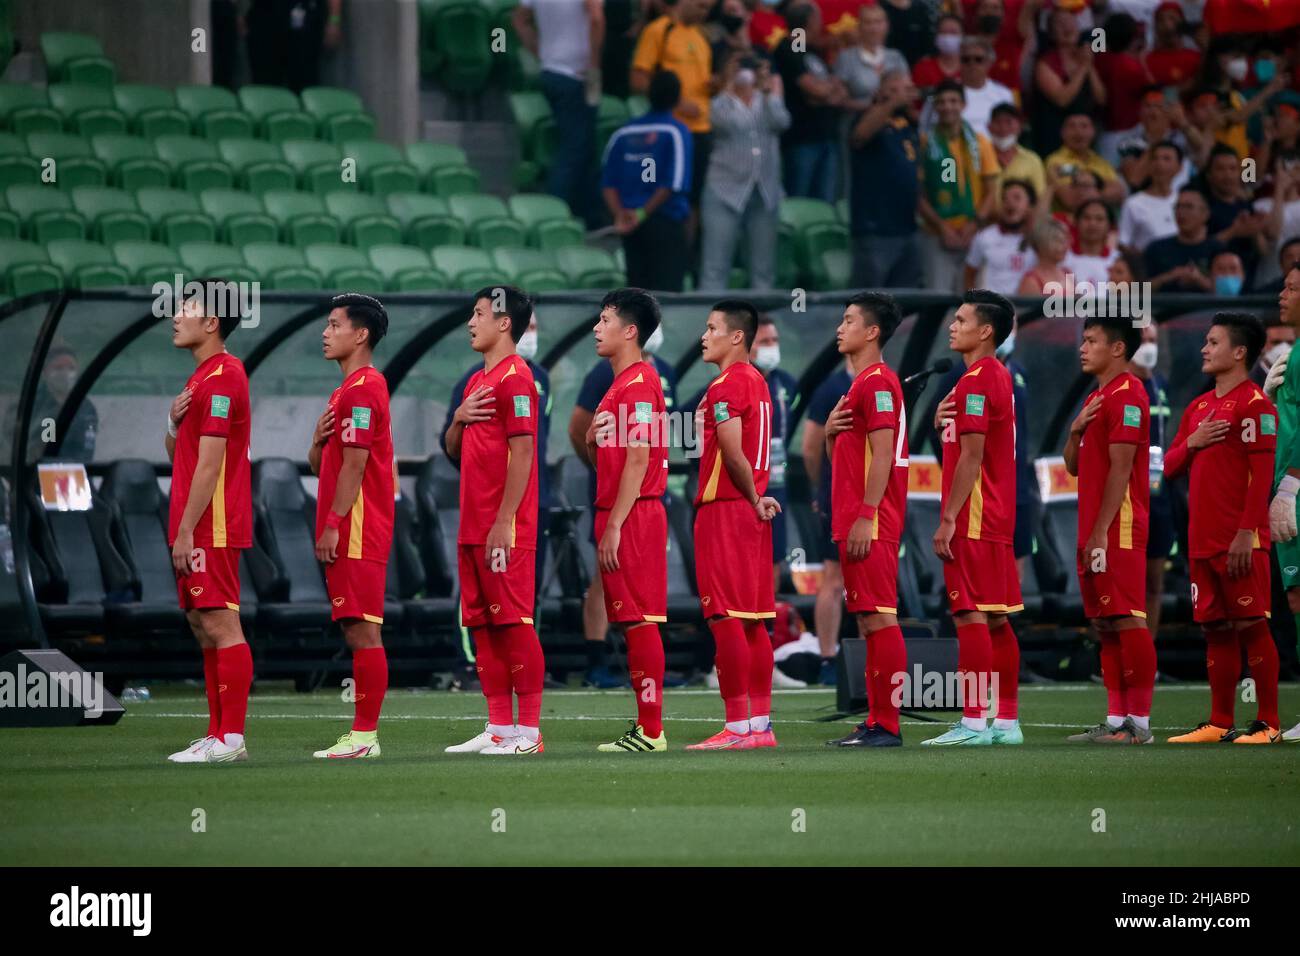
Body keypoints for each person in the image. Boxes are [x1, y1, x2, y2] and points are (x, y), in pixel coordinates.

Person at [1164, 313, 1282, 745]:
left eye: (1213, 342)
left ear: (1239, 353)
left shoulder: (1255, 406)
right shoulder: (1197, 407)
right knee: (1214, 628)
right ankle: (1219, 721)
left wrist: (1245, 534)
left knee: (1251, 624)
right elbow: (1170, 467)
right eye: (1205, 342)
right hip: (1201, 540)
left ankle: (1268, 723)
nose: (1204, 349)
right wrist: (1192, 443)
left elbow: (1262, 474)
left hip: (1240, 540)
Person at [442, 287, 546, 756]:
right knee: (482, 626)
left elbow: (524, 453)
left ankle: (529, 732)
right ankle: (499, 726)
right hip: (472, 524)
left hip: (505, 527)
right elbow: (452, 451)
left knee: (514, 624)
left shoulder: (517, 379)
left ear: (505, 323)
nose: (471, 322)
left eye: (480, 314)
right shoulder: (473, 383)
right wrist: (459, 419)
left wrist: (505, 521)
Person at [924, 289, 1022, 746]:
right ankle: (1005, 722)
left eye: (961, 319)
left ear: (986, 331)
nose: (952, 325)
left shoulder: (979, 379)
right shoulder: (989, 377)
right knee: (997, 619)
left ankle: (973, 721)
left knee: (970, 615)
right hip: (994, 512)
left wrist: (948, 519)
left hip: (975, 514)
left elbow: (972, 456)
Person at [164, 281, 253, 765]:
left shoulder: (224, 376)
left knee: (221, 623)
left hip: (210, 522)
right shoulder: (199, 380)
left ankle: (231, 739)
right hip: (193, 518)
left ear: (213, 322)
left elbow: (211, 464)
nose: (177, 315)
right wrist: (174, 425)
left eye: (188, 307)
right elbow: (183, 456)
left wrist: (184, 530)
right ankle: (218, 733)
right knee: (202, 624)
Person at [686, 300, 780, 750]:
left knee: (725, 618)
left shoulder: (725, 386)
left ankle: (737, 726)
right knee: (755, 621)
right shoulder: (759, 383)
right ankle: (760, 726)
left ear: (736, 337)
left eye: (711, 328)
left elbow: (731, 449)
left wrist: (751, 496)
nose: (704, 337)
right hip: (753, 512)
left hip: (727, 508)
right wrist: (758, 499)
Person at [308, 294, 395, 760]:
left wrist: (334, 524)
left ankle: (364, 737)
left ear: (360, 335)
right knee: (355, 629)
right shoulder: (344, 391)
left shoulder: (363, 388)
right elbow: (323, 462)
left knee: (363, 630)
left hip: (358, 526)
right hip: (348, 525)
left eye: (335, 324)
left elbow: (357, 464)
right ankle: (362, 735)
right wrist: (316, 439)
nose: (326, 332)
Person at [821, 292, 910, 748]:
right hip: (856, 516)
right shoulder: (864, 384)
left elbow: (881, 456)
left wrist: (867, 515)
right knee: (869, 620)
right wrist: (834, 436)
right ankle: (877, 719)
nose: (841, 327)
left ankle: (888, 724)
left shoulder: (876, 382)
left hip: (870, 518)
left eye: (850, 320)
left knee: (880, 618)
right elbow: (858, 456)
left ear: (872, 332)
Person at [1062, 315, 1156, 745]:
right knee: (1105, 624)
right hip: (1094, 526)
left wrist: (1101, 531)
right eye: (1083, 340)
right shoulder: (1096, 396)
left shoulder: (1129, 393)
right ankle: (1117, 719)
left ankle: (1140, 723)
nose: (1083, 348)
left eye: (1092, 340)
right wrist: (1074, 431)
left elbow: (1122, 469)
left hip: (1116, 528)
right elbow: (1075, 466)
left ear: (1117, 349)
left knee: (1129, 619)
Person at [589, 289, 671, 753]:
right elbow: (609, 458)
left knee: (640, 623)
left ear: (630, 330)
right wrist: (588, 438)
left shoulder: (640, 384)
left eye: (605, 320)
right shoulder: (618, 385)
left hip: (634, 515)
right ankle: (647, 726)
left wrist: (617, 524)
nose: (597, 328)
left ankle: (652, 730)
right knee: (631, 622)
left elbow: (638, 460)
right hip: (621, 512)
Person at [699, 54, 789, 291]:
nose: (745, 72)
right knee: (715, 268)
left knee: (763, 269)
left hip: (765, 191)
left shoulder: (768, 99)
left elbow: (782, 122)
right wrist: (728, 85)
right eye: (738, 67)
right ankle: (709, 324)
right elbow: (720, 121)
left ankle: (762, 326)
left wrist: (768, 91)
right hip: (724, 190)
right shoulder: (719, 102)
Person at [514, 0, 605, 226]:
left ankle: (588, 216)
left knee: (584, 145)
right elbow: (595, 18)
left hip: (551, 70)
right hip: (578, 76)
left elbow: (518, 20)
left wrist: (540, 51)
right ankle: (554, 217)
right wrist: (593, 64)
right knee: (574, 148)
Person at [601, 69, 693, 292]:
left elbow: (608, 183)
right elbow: (673, 184)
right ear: (677, 98)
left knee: (637, 296)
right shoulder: (676, 132)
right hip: (663, 222)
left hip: (629, 225)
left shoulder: (623, 132)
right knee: (667, 295)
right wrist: (642, 213)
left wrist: (620, 214)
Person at [630, 0, 714, 220]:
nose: (704, 13)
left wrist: (718, 84)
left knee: (694, 197)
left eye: (708, 9)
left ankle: (685, 251)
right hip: (669, 128)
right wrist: (675, 102)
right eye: (700, 6)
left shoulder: (701, 36)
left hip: (701, 129)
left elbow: (702, 80)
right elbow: (638, 79)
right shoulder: (659, 30)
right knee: (661, 191)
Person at [918, 79, 999, 293]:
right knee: (938, 300)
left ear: (963, 105)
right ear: (935, 107)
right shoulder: (925, 143)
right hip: (937, 234)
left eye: (953, 101)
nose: (947, 107)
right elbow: (917, 194)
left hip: (973, 233)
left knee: (972, 302)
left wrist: (973, 225)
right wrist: (943, 227)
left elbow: (991, 190)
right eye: (942, 102)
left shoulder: (980, 142)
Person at [802, 358, 855, 684]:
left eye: (849, 322)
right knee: (834, 578)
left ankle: (870, 660)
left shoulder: (886, 382)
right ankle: (827, 658)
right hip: (838, 499)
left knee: (872, 579)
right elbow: (810, 448)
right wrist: (824, 489)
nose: (841, 331)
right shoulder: (832, 388)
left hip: (875, 501)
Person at [1265, 266, 1300, 741]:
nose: (1282, 294)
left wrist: (1289, 488)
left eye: (1293, 288)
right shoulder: (1293, 357)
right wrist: (1274, 401)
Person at [849, 68, 922, 287]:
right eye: (894, 89)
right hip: (875, 228)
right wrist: (890, 103)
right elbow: (859, 137)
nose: (904, 94)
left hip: (907, 226)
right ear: (880, 91)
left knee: (904, 303)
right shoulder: (868, 115)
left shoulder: (908, 123)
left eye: (908, 89)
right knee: (869, 302)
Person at [1128, 322, 1174, 649]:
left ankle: (1149, 655)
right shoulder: (1121, 387)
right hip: (1128, 497)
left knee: (1155, 582)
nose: (1149, 344)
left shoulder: (1161, 385)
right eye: (1143, 338)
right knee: (1127, 583)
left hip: (1158, 495)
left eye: (1153, 338)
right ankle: (1117, 658)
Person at [774, 2, 847, 202]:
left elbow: (837, 90)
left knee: (825, 200)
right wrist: (825, 92)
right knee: (800, 198)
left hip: (826, 135)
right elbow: (813, 90)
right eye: (818, 19)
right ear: (809, 22)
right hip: (802, 139)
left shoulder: (809, 49)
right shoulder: (789, 49)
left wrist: (826, 92)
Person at [751, 314, 798, 590]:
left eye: (775, 340)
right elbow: (686, 418)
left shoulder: (787, 385)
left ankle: (769, 623)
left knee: (774, 555)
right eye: (764, 341)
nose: (772, 347)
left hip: (776, 483)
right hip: (746, 486)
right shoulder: (734, 382)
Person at [1031, 5, 1104, 156]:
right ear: (1051, 33)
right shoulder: (1045, 62)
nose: (1067, 27)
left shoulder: (1088, 56)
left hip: (1086, 133)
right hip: (1055, 134)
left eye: (1071, 22)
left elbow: (1101, 99)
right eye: (1060, 23)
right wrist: (1083, 68)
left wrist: (1089, 67)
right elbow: (1062, 99)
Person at [1203, 143, 1266, 287]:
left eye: (1232, 169)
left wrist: (1255, 231)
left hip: (1248, 284)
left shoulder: (1247, 205)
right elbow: (1199, 247)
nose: (1227, 175)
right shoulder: (1202, 207)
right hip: (1211, 286)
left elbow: (1263, 251)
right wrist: (1234, 232)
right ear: (1209, 175)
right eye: (1220, 169)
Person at [1093, 12, 1152, 165]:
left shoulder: (1098, 58)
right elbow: (1151, 90)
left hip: (1105, 133)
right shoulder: (1132, 67)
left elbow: (1096, 36)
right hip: (1129, 132)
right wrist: (1142, 60)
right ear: (1132, 38)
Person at [245, 0, 341, 93]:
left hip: (304, 23)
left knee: (305, 84)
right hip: (265, 20)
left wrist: (334, 20)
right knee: (265, 85)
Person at [964, 178, 1037, 296]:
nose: (1009, 203)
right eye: (1004, 198)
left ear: (1029, 207)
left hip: (1027, 310)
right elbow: (969, 275)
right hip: (992, 310)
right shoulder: (984, 237)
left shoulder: (1037, 241)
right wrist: (975, 303)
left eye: (1017, 198)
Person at [1044, 111, 1126, 214]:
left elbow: (1119, 192)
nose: (1078, 132)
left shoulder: (1101, 162)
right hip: (1066, 224)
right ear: (1062, 132)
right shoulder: (1055, 161)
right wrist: (1101, 187)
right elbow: (1070, 199)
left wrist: (1087, 189)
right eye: (1072, 126)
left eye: (1084, 126)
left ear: (1093, 132)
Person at [1144, 187, 1223, 293]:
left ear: (1205, 214)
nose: (1181, 213)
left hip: (1208, 308)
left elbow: (1229, 293)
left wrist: (1200, 280)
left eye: (1188, 207)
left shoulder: (1219, 250)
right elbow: (1140, 290)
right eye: (1178, 207)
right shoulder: (1156, 248)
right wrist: (1170, 276)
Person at [835, 3, 909, 109]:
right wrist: (874, 105)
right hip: (857, 120)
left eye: (878, 22)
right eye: (868, 23)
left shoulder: (896, 57)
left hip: (895, 120)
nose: (874, 28)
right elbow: (838, 101)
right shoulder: (846, 58)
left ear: (887, 25)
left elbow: (907, 92)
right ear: (859, 26)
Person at [29, 346, 97, 462]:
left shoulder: (86, 407)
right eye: (58, 368)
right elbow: (40, 448)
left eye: (71, 368)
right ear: (45, 373)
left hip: (78, 472)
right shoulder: (35, 405)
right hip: (43, 472)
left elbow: (87, 447)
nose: (65, 373)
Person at [1116, 140, 1181, 259]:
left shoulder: (1184, 200)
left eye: (1166, 159)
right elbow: (1123, 243)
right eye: (1155, 159)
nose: (1159, 163)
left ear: (1179, 167)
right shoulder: (1133, 203)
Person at [989, 102, 1046, 205]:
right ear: (989, 127)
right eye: (998, 122)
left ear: (1020, 127)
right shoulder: (977, 157)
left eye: (1009, 122)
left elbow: (1039, 198)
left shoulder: (1032, 160)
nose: (1003, 128)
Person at [1143, 1, 1200, 91]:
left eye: (1172, 18)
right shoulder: (1146, 60)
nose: (1167, 25)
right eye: (1161, 20)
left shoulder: (1197, 58)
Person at [1063, 198, 1118, 288]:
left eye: (1099, 219)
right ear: (1076, 222)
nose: (1092, 223)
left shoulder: (1117, 261)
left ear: (1110, 225)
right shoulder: (1061, 259)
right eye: (1086, 218)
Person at [912, 12, 962, 95]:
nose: (947, 37)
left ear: (962, 36)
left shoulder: (970, 66)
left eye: (953, 32)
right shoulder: (923, 68)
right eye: (943, 32)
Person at [1016, 218, 1070, 294]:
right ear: (1041, 243)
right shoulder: (1031, 281)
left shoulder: (1067, 273)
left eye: (1064, 240)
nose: (1064, 246)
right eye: (1058, 241)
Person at [880, 0, 934, 69]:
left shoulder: (920, 8)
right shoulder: (881, 8)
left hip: (917, 67)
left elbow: (927, 41)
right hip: (888, 66)